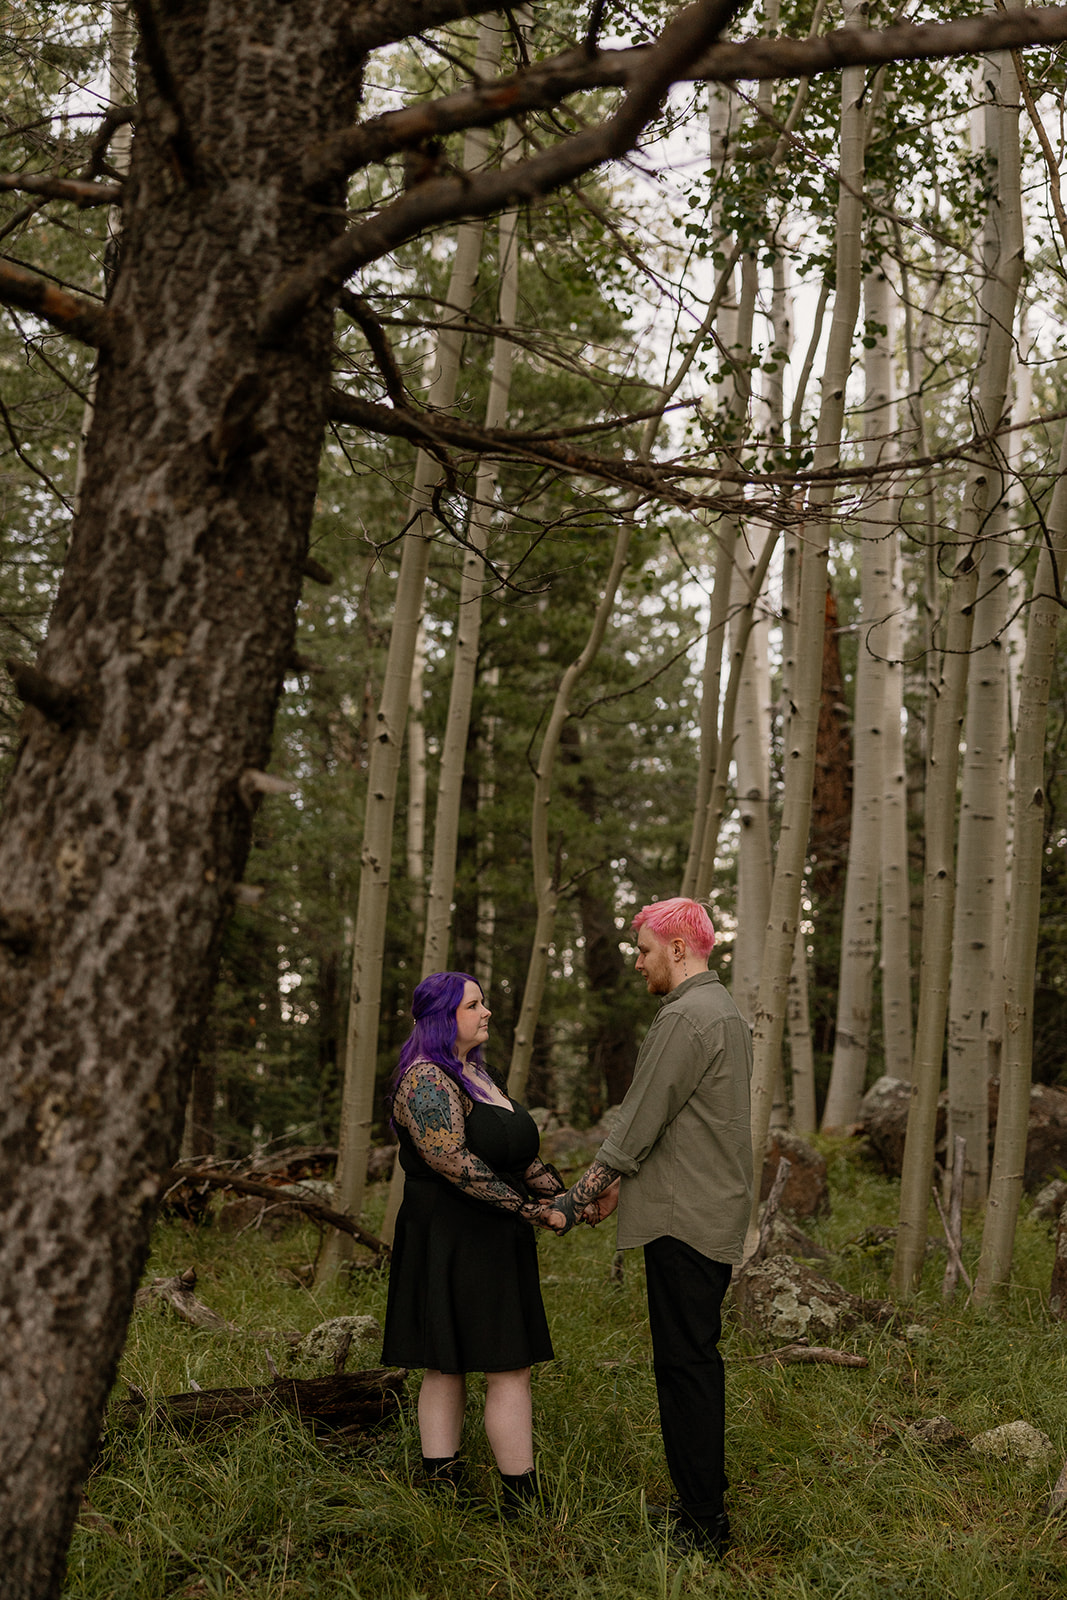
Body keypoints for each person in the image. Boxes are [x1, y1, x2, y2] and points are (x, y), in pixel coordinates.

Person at [554, 897, 753, 1557]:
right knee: (692, 1361)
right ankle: (703, 1505)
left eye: (642, 950)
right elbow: (678, 1127)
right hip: (699, 1209)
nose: (638, 964)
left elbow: (640, 1119)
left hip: (685, 1221)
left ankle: (702, 1527)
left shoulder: (686, 1016)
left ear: (676, 947)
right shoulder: (719, 1010)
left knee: (684, 1366)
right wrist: (621, 1188)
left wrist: (581, 1193)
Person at [380, 970, 566, 1514]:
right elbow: (453, 1162)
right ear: (442, 1019)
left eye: (484, 1003)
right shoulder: (427, 1080)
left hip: (494, 1231)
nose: (487, 1013)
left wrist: (565, 1198)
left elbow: (515, 1153)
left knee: (503, 1363)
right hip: (449, 1235)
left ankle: (513, 1498)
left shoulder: (478, 1075)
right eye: (474, 1005)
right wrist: (533, 1211)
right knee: (455, 1362)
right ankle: (466, 1495)